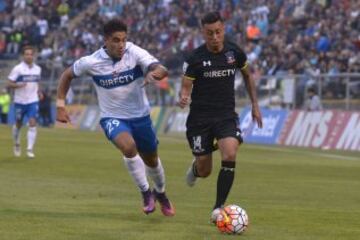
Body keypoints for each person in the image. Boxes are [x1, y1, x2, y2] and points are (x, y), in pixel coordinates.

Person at [56, 19, 175, 216]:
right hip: (112, 117)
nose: (121, 45)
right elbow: (66, 75)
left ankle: (161, 193)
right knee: (128, 147)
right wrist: (60, 105)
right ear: (106, 40)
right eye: (116, 40)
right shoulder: (91, 61)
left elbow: (160, 68)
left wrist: (155, 74)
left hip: (141, 117)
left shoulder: (134, 52)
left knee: (152, 160)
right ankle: (145, 192)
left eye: (124, 40)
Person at [178, 12, 263, 222]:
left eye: (218, 32)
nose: (215, 37)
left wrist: (255, 104)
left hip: (226, 115)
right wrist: (184, 97)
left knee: (230, 153)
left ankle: (218, 208)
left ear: (223, 29)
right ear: (202, 33)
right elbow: (186, 86)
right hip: (200, 119)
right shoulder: (195, 58)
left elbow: (247, 76)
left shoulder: (234, 52)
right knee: (205, 169)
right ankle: (196, 168)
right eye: (209, 34)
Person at [7, 45, 42, 158]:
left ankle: (30, 149)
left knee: (32, 122)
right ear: (23, 56)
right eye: (26, 54)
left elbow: (37, 82)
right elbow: (9, 83)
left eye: (31, 54)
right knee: (18, 123)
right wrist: (18, 85)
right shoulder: (18, 69)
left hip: (33, 101)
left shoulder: (38, 69)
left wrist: (39, 92)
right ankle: (17, 143)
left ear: (34, 56)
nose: (29, 56)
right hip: (20, 101)